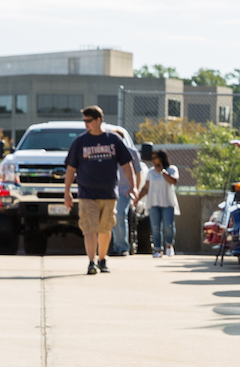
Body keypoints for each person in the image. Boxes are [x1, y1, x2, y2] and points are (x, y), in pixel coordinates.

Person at [65, 106, 138, 275]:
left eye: (88, 121)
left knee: (105, 228)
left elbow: (127, 165)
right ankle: (91, 262)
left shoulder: (113, 140)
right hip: (86, 193)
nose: (86, 124)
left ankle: (102, 259)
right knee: (89, 228)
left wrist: (132, 185)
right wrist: (67, 192)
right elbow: (70, 169)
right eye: (84, 121)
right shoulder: (80, 142)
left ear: (98, 120)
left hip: (109, 193)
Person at [133, 150, 180, 258]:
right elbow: (146, 187)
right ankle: (158, 249)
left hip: (167, 202)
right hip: (153, 203)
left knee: (169, 226)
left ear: (161, 158)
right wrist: (137, 199)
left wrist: (162, 172)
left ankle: (169, 245)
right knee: (155, 227)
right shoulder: (150, 172)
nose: (153, 160)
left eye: (155, 158)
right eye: (152, 158)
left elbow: (173, 181)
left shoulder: (171, 169)